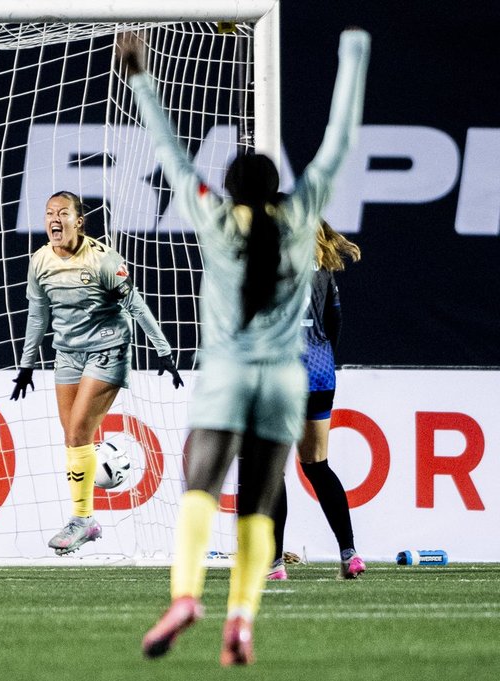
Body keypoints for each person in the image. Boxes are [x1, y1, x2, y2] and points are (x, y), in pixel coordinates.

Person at [117, 28, 370, 665]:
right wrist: (353, 56)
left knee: (201, 490)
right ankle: (242, 617)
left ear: (228, 186)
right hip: (285, 380)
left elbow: (173, 154)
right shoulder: (301, 216)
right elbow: (338, 145)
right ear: (277, 187)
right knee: (259, 506)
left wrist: (141, 79)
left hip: (227, 375)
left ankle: (184, 595)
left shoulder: (210, 213)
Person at [11, 191, 183, 556]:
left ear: (79, 221)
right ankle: (103, 467)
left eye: (62, 213)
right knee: (73, 438)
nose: (54, 219)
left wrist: (163, 349)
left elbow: (135, 304)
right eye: (48, 213)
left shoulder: (104, 260)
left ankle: (82, 519)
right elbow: (38, 316)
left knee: (77, 432)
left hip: (109, 348)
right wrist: (26, 363)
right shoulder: (40, 260)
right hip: (68, 354)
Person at [269, 220, 364, 581]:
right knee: (317, 465)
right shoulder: (323, 267)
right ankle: (349, 553)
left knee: (271, 470)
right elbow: (334, 322)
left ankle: (274, 563)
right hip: (321, 371)